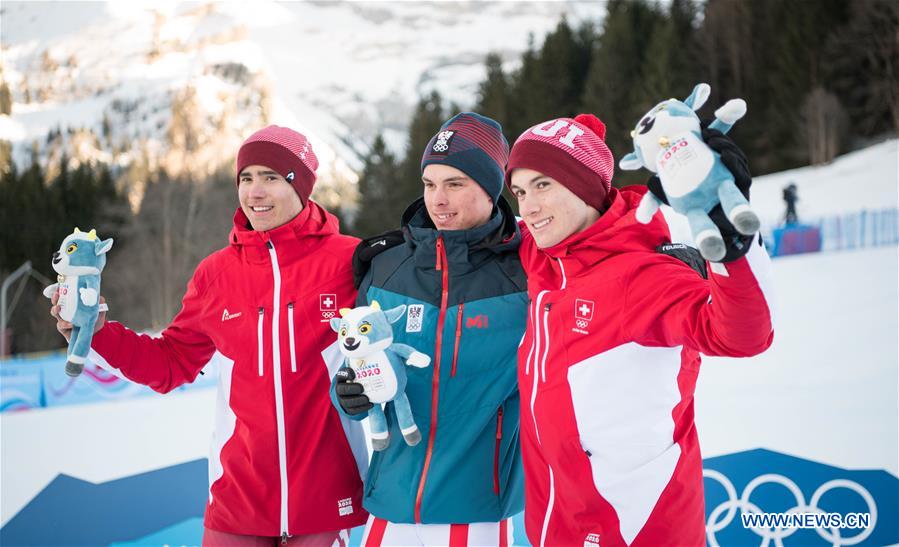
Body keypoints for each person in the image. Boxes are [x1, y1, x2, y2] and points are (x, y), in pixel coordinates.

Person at [50, 126, 369, 546]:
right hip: (238, 501)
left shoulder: (351, 261)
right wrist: (99, 333)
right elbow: (169, 364)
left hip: (328, 499)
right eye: (246, 178)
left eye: (271, 177)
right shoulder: (216, 275)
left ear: (302, 185)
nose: (255, 191)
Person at [504, 114, 775, 547]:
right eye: (519, 191)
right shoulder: (546, 261)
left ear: (585, 186)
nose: (528, 208)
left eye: (543, 185)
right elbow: (483, 231)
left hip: (634, 531)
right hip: (555, 530)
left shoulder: (641, 275)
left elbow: (742, 335)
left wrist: (731, 249)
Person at [334, 113, 527, 546]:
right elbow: (357, 360)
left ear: (492, 187)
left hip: (475, 512)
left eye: (455, 184)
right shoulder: (386, 266)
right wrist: (347, 392)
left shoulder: (526, 274)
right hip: (389, 509)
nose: (437, 199)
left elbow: (596, 258)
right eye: (429, 183)